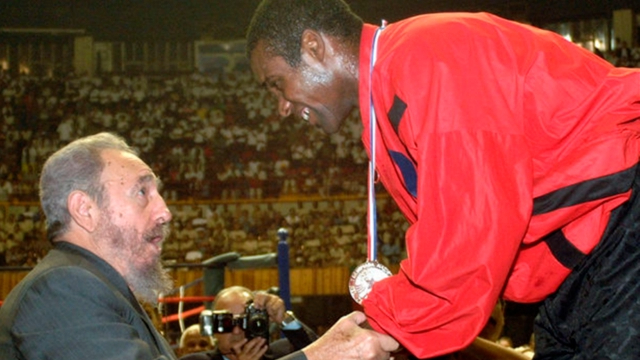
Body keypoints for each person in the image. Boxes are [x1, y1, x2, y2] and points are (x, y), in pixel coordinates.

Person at [246, 0, 640, 359]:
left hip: (622, 227)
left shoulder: (426, 57)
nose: (281, 107)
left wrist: (364, 334)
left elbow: (469, 235)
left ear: (313, 47)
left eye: (277, 84)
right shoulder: (388, 96)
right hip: (582, 268)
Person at [0, 132, 177, 359]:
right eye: (142, 192)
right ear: (85, 209)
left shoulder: (96, 286)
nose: (165, 212)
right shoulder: (62, 289)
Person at [180, 286, 316, 360]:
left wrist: (284, 319)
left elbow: (323, 353)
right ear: (214, 328)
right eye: (227, 323)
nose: (237, 331)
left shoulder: (284, 352)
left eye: (244, 321)